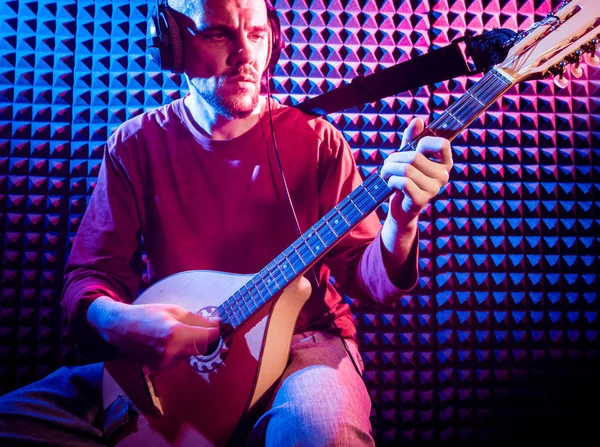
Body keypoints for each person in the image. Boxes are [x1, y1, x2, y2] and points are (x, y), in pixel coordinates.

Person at [0, 0, 452, 445]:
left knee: (321, 432)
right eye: (219, 33)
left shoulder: (317, 142)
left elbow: (370, 282)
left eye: (256, 34)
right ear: (172, 45)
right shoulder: (135, 144)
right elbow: (90, 275)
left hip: (303, 345)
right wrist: (119, 322)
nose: (246, 55)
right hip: (171, 362)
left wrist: (403, 218)